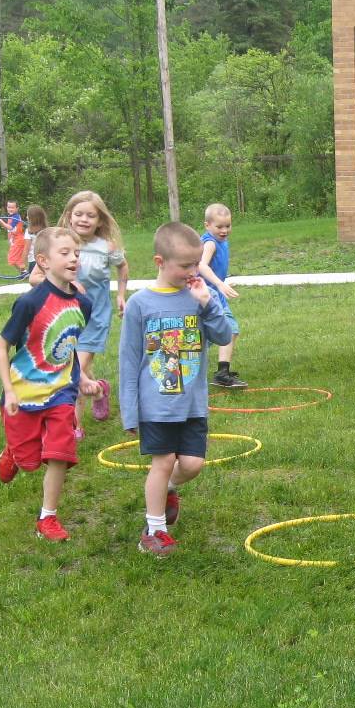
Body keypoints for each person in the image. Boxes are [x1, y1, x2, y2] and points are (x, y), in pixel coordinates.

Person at [117, 222, 238, 555]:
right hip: (156, 403)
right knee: (164, 459)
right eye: (184, 265)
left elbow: (224, 336)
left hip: (192, 403)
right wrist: (129, 410)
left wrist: (208, 304)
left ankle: (166, 490)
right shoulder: (141, 304)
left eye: (196, 264)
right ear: (160, 262)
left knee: (193, 465)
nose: (192, 271)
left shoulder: (201, 296)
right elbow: (128, 359)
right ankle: (154, 530)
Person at [0, 226, 102, 541]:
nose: (73, 259)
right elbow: (2, 347)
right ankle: (14, 453)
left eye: (77, 253)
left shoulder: (83, 304)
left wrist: (80, 379)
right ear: (42, 260)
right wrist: (10, 390)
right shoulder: (30, 303)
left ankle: (48, 518)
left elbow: (67, 348)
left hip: (60, 394)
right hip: (24, 392)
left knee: (60, 454)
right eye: (65, 253)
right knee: (29, 463)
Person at [59, 190, 128, 427]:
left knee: (73, 370)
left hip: (96, 317)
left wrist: (120, 295)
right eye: (78, 214)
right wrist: (68, 281)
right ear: (69, 216)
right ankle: (99, 391)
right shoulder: (61, 245)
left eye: (91, 215)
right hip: (66, 317)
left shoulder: (106, 247)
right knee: (74, 368)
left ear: (99, 220)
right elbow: (37, 277)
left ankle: (74, 428)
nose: (84, 219)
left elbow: (122, 267)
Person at [198, 202, 246, 388]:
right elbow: (201, 265)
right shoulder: (210, 242)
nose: (224, 230)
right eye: (219, 226)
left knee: (207, 335)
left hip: (213, 294)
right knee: (230, 329)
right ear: (207, 225)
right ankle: (222, 373)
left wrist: (221, 281)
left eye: (228, 226)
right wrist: (219, 283)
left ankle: (213, 369)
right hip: (209, 295)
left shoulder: (221, 241)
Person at [2, 200, 28, 272]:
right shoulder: (11, 217)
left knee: (13, 259)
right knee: (14, 259)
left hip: (19, 240)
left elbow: (10, 227)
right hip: (15, 240)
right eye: (9, 207)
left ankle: (24, 272)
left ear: (17, 208)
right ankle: (23, 272)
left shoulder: (15, 217)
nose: (10, 209)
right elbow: (9, 231)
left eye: (12, 207)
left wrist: (1, 222)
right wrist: (9, 240)